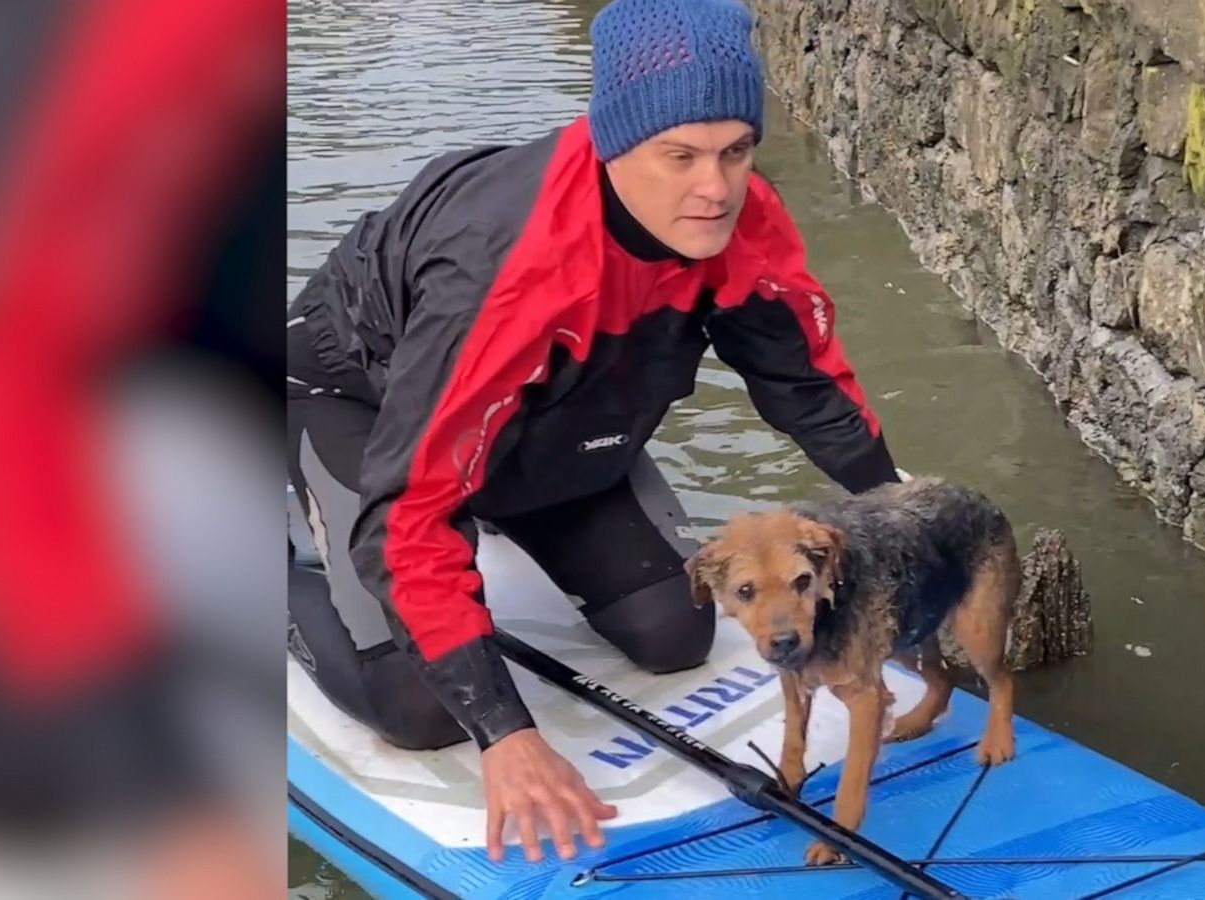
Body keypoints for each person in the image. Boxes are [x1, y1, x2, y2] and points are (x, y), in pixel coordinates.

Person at [286, 0, 902, 866]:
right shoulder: (503, 270)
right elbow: (412, 514)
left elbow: (804, 383)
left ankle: (507, 506)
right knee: (426, 713)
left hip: (552, 419)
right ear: (614, 145)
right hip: (365, 400)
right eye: (680, 157)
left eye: (736, 152)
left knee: (675, 633)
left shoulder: (738, 217)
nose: (715, 189)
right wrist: (506, 734)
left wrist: (900, 513)